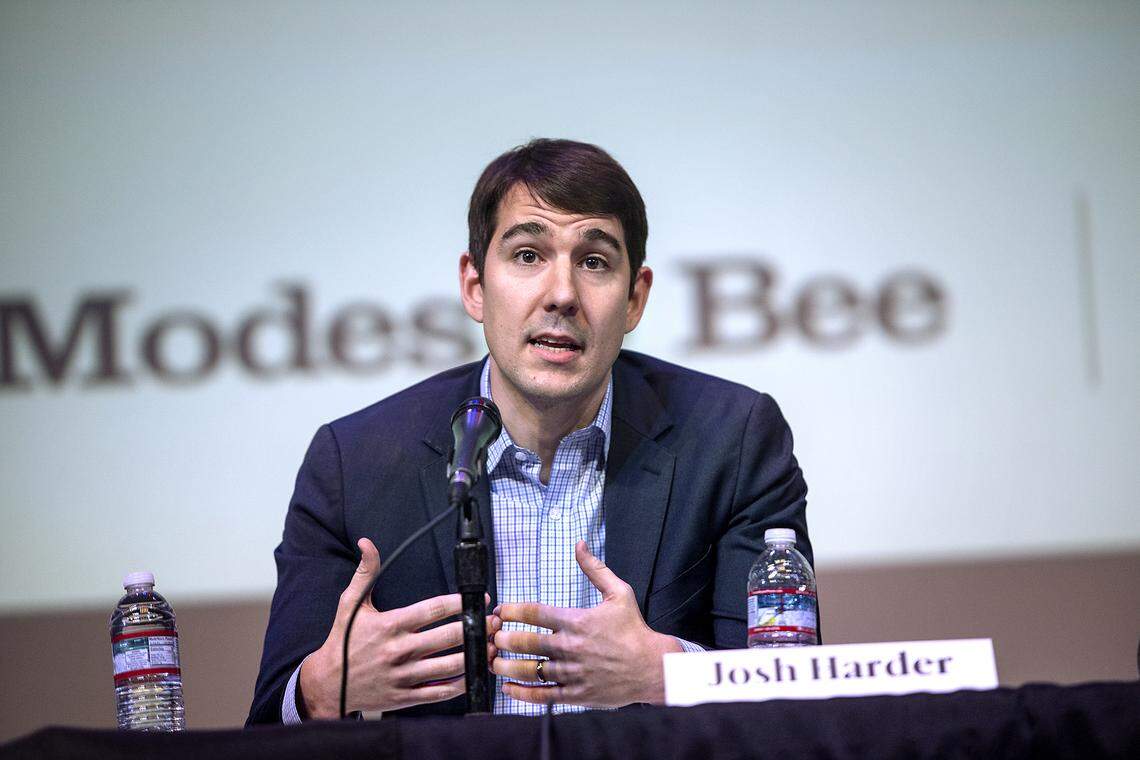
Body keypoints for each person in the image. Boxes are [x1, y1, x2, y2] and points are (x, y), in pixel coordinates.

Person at [247, 138, 813, 724]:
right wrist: (320, 693)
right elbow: (266, 723)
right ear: (474, 285)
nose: (562, 294)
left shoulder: (734, 441)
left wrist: (666, 674)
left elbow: (793, 704)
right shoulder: (354, 463)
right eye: (526, 255)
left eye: (594, 262)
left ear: (635, 299)